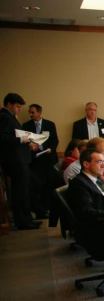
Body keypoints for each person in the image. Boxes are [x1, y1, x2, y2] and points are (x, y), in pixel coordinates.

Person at [0, 93, 39, 229]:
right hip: (15, 161)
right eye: (17, 106)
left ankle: (27, 219)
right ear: (9, 104)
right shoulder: (4, 117)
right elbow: (3, 138)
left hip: (20, 158)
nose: (19, 110)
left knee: (24, 190)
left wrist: (27, 145)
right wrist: (23, 140)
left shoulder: (10, 117)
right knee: (20, 192)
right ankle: (23, 222)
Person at [23, 103, 58, 218]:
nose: (31, 114)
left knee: (49, 184)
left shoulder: (49, 124)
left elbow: (54, 140)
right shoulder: (26, 126)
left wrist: (50, 149)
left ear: (39, 112)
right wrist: (32, 146)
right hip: (34, 160)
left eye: (33, 112)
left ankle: (47, 207)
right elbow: (25, 141)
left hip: (47, 158)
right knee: (36, 185)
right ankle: (39, 210)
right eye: (30, 112)